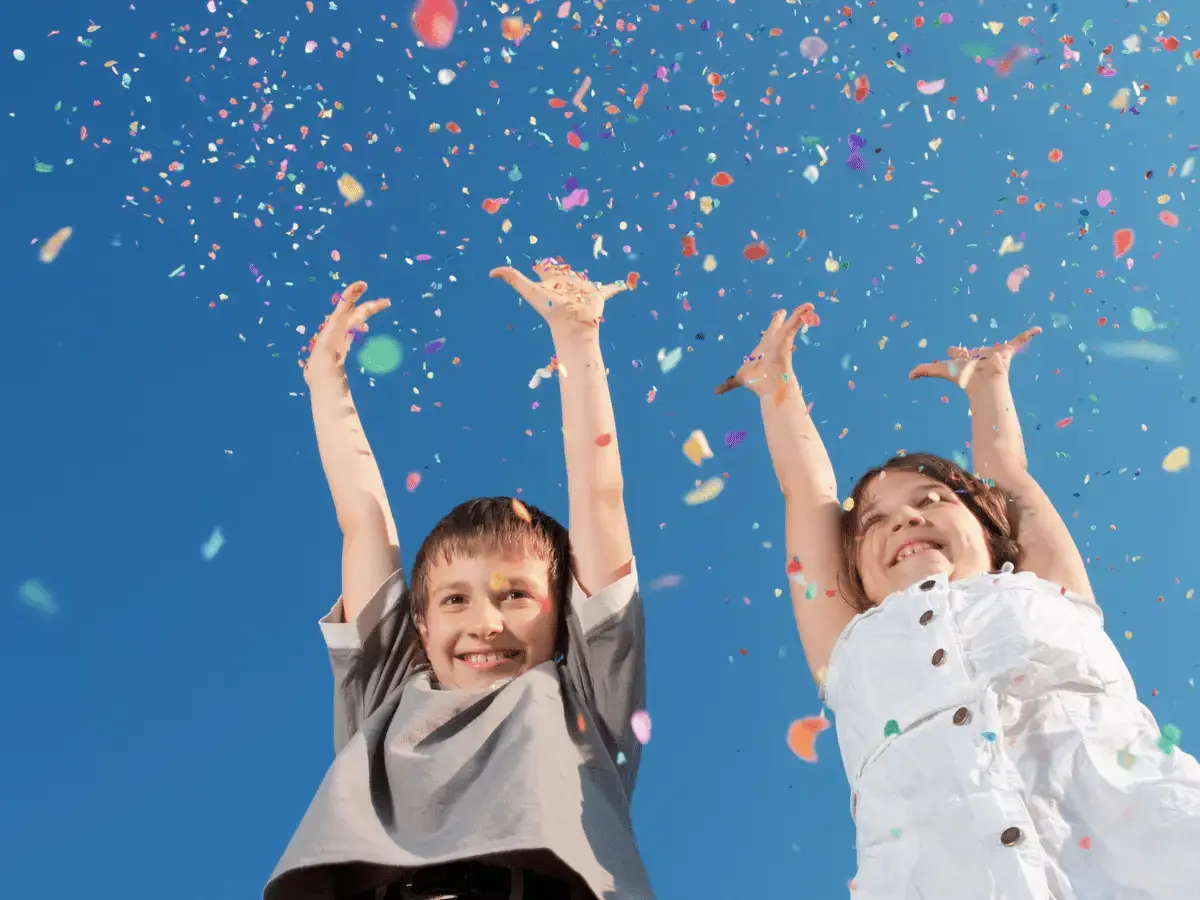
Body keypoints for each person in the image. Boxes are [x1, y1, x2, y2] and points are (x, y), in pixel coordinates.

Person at [725, 307, 1200, 899]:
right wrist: (776, 386)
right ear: (854, 578)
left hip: (1151, 852)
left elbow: (1011, 477)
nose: (905, 516)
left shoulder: (1047, 589)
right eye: (873, 522)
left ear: (990, 530)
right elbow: (810, 493)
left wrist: (986, 382)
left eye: (933, 498)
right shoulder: (847, 645)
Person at [266, 261, 654, 900]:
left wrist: (579, 343)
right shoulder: (389, 692)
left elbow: (601, 498)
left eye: (517, 595)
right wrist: (323, 381)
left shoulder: (584, 699)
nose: (486, 623)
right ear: (421, 625)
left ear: (564, 616)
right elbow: (363, 521)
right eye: (455, 599)